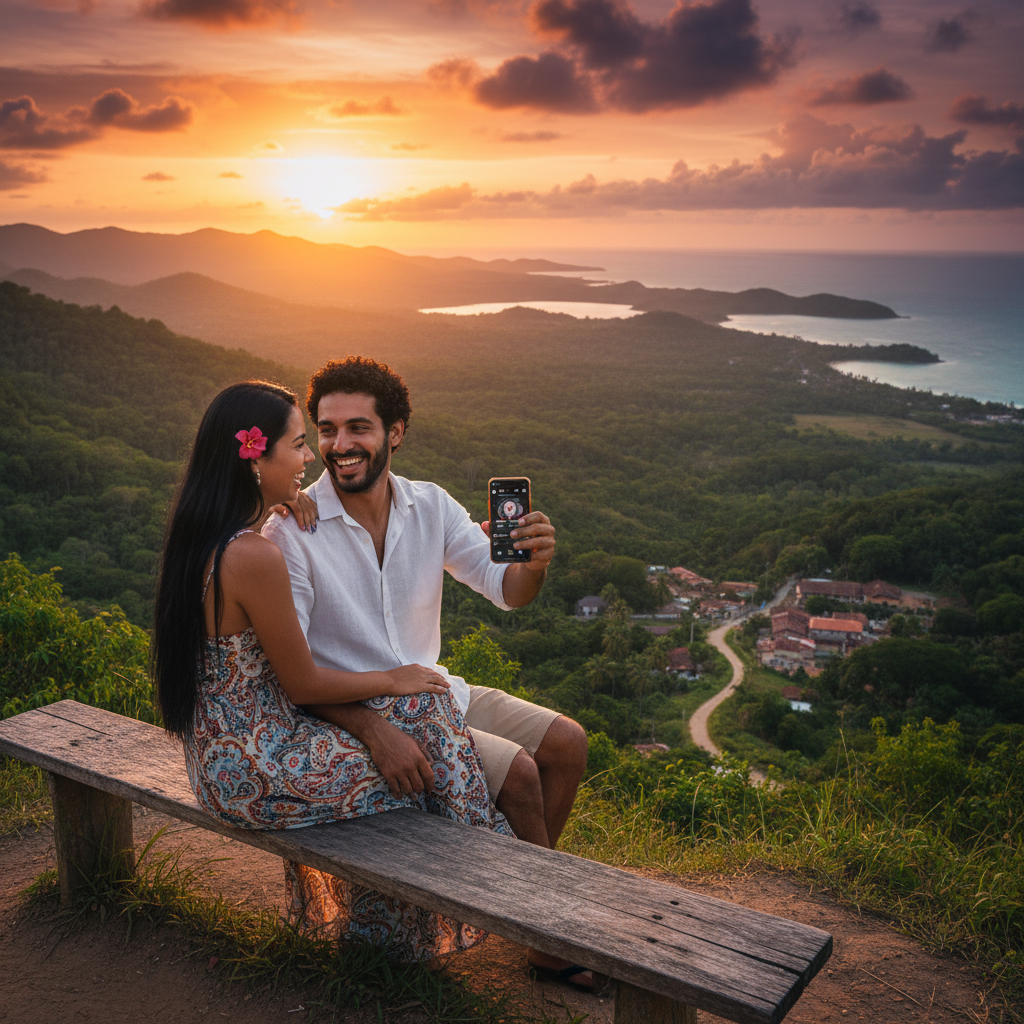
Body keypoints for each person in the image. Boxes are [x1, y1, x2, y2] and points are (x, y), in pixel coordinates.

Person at [151, 379, 512, 961]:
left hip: (220, 761)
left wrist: (276, 503)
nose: (307, 461)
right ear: (255, 459)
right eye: (298, 445)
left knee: (422, 723)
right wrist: (395, 678)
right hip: (259, 767)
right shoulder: (254, 554)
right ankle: (485, 884)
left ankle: (410, 923)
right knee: (425, 746)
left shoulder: (210, 541)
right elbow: (303, 684)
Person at [263, 357, 592, 989]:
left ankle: (511, 893)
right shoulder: (294, 528)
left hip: (433, 690)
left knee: (567, 744)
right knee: (520, 774)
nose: (340, 444)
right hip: (358, 705)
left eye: (358, 427)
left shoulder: (430, 506)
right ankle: (546, 938)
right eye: (326, 430)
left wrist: (534, 563)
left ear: (396, 432)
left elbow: (506, 590)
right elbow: (292, 672)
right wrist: (372, 729)